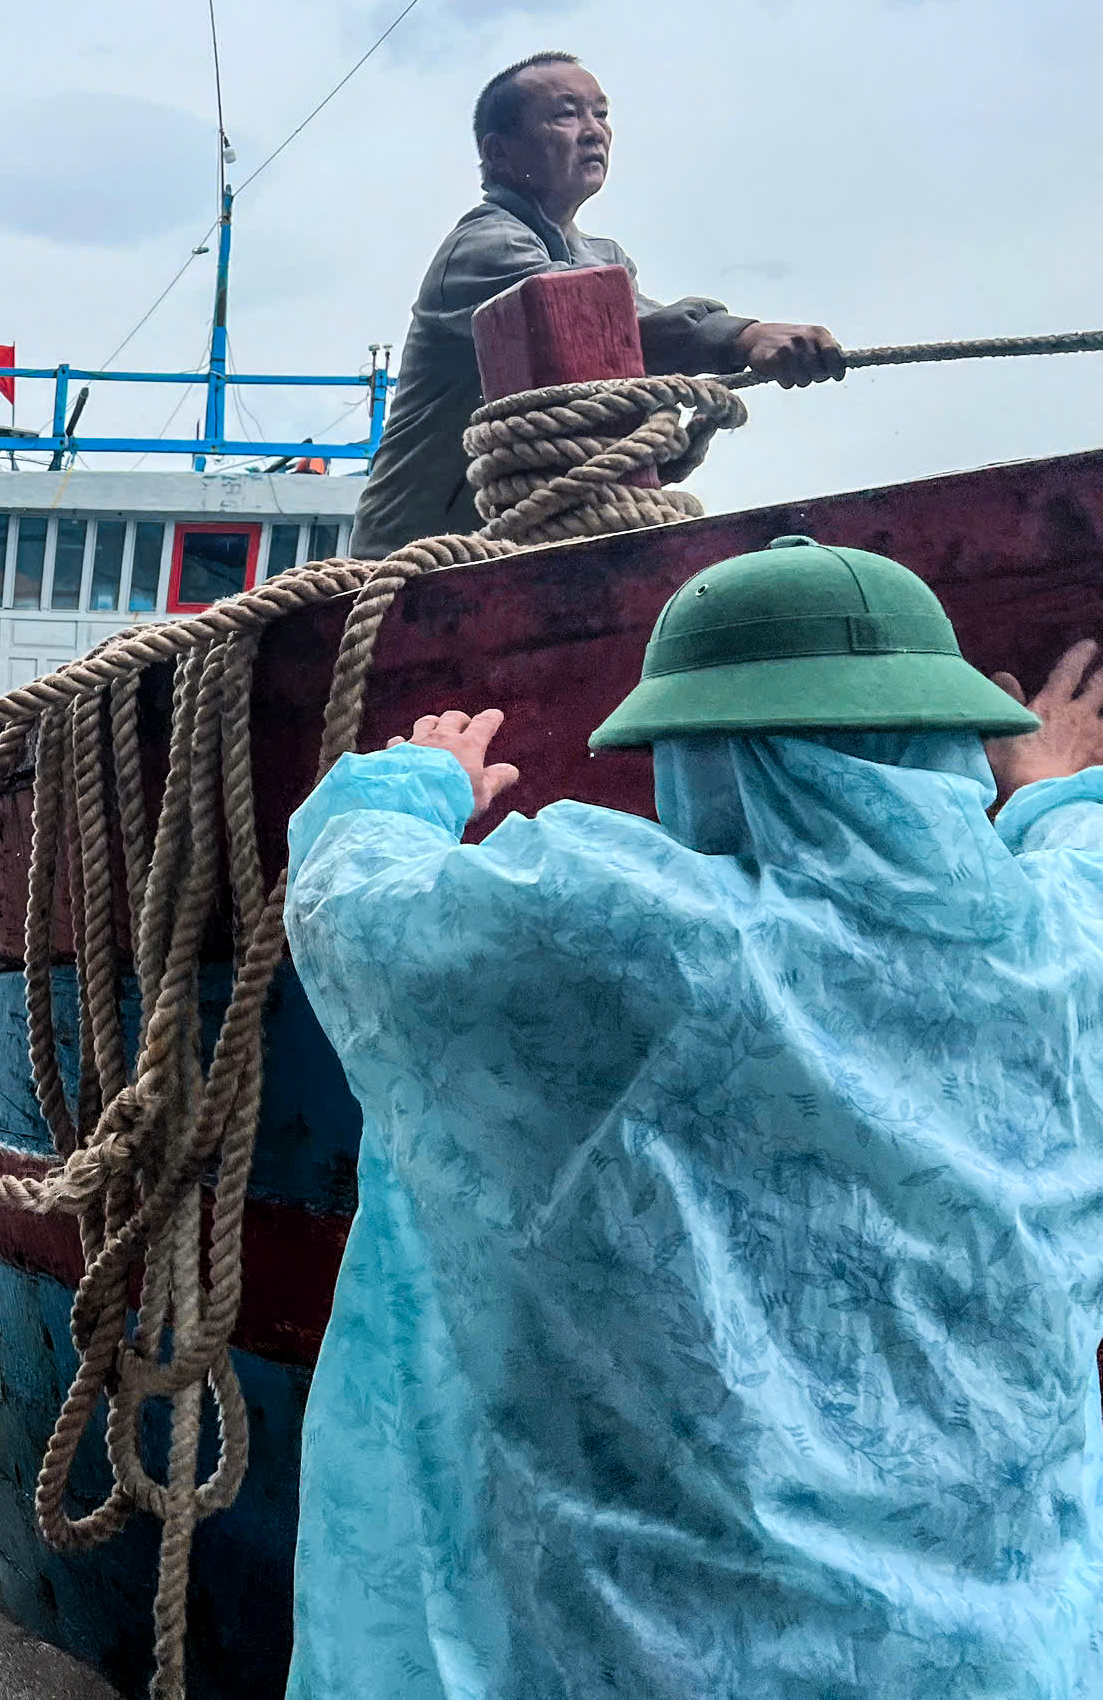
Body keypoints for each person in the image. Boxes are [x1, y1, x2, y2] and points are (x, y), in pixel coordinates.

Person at [281, 534, 1103, 1697]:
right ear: (948, 745)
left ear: (698, 755)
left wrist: (410, 781)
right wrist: (1057, 783)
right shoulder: (1064, 951)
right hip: (1012, 1663)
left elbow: (353, 908)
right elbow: (1083, 853)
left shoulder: (643, 939)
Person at [349, 53, 846, 558]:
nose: (593, 131)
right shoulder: (483, 246)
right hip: (418, 558)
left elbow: (632, 325)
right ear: (499, 154)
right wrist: (744, 337)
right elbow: (598, 329)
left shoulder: (604, 258)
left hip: (530, 546)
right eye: (566, 114)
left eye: (601, 114)